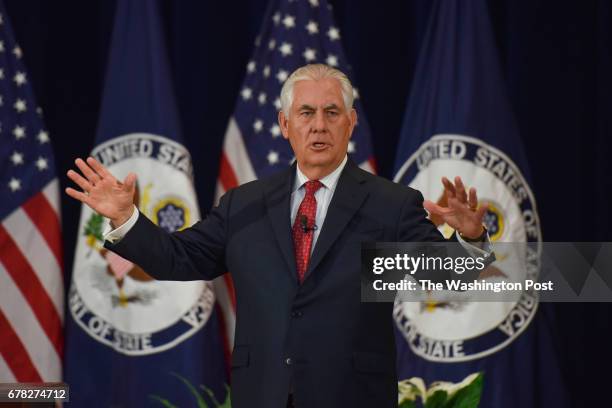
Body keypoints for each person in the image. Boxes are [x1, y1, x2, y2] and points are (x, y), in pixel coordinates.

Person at [66, 64, 490, 408]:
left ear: (351, 123)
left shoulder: (391, 203)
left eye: (331, 113)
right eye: (306, 114)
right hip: (264, 394)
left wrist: (470, 239)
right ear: (285, 125)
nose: (318, 126)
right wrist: (126, 217)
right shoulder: (243, 204)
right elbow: (177, 258)